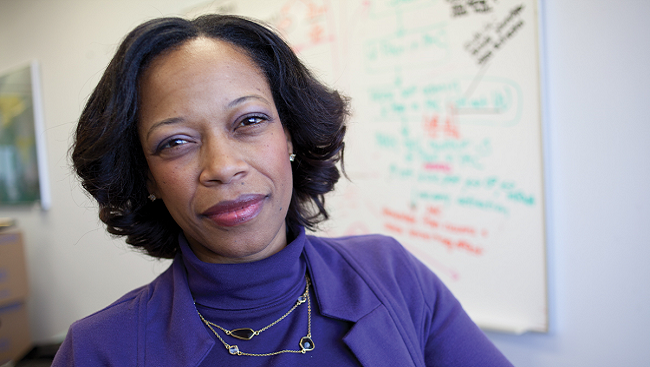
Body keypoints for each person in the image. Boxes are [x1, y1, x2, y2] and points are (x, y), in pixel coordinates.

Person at [52, 14, 513, 367]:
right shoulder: (98, 349)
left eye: (249, 121)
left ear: (289, 135)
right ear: (147, 176)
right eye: (175, 142)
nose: (223, 167)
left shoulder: (392, 275)